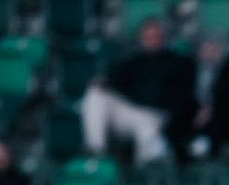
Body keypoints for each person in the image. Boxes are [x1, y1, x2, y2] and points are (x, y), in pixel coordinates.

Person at [81, 18, 194, 164]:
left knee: (148, 138)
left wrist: (172, 127)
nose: (152, 40)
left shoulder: (178, 64)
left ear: (164, 38)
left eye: (155, 36)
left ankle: (142, 182)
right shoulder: (133, 62)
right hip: (130, 112)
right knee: (95, 94)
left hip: (156, 116)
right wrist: (102, 82)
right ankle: (96, 151)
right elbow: (113, 81)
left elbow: (182, 100)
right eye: (147, 37)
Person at [186, 36, 229, 159]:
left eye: (213, 51)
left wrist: (209, 111)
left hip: (220, 115)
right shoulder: (190, 71)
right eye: (206, 51)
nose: (209, 55)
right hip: (194, 113)